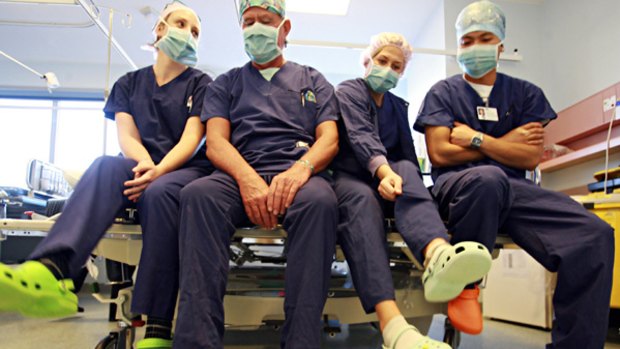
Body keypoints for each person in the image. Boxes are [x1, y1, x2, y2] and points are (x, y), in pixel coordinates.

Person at [0, 2, 213, 348]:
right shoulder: (129, 83)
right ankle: (52, 270)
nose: (188, 33)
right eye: (180, 23)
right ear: (160, 29)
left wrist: (158, 171)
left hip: (182, 168)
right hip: (140, 162)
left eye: (195, 31)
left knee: (161, 194)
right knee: (103, 165)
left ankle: (157, 327)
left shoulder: (202, 84)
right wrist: (146, 164)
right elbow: (127, 136)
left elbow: (193, 139)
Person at [414, 1, 614, 346]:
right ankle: (466, 287)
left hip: (515, 192)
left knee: (595, 235)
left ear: (501, 45)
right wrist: (504, 145)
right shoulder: (442, 93)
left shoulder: (525, 94)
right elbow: (440, 153)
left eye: (485, 38)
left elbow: (530, 156)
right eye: (467, 40)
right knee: (488, 178)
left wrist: (476, 138)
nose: (475, 46)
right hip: (458, 189)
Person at [172, 1, 339, 348]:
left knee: (321, 202)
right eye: (248, 22)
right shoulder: (226, 83)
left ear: (285, 28)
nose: (256, 28)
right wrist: (248, 180)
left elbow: (329, 140)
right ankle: (197, 341)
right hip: (238, 169)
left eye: (266, 20)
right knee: (197, 196)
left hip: (297, 170)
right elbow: (216, 143)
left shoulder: (313, 80)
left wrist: (300, 170)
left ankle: (301, 340)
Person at [332, 32, 492, 349]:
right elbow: (362, 137)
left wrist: (422, 194)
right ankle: (392, 327)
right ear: (367, 61)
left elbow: (406, 155)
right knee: (363, 198)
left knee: (407, 168)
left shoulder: (397, 105)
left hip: (393, 182)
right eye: (382, 61)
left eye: (396, 65)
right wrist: (383, 170)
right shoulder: (348, 91)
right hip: (352, 177)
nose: (388, 69)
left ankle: (437, 256)